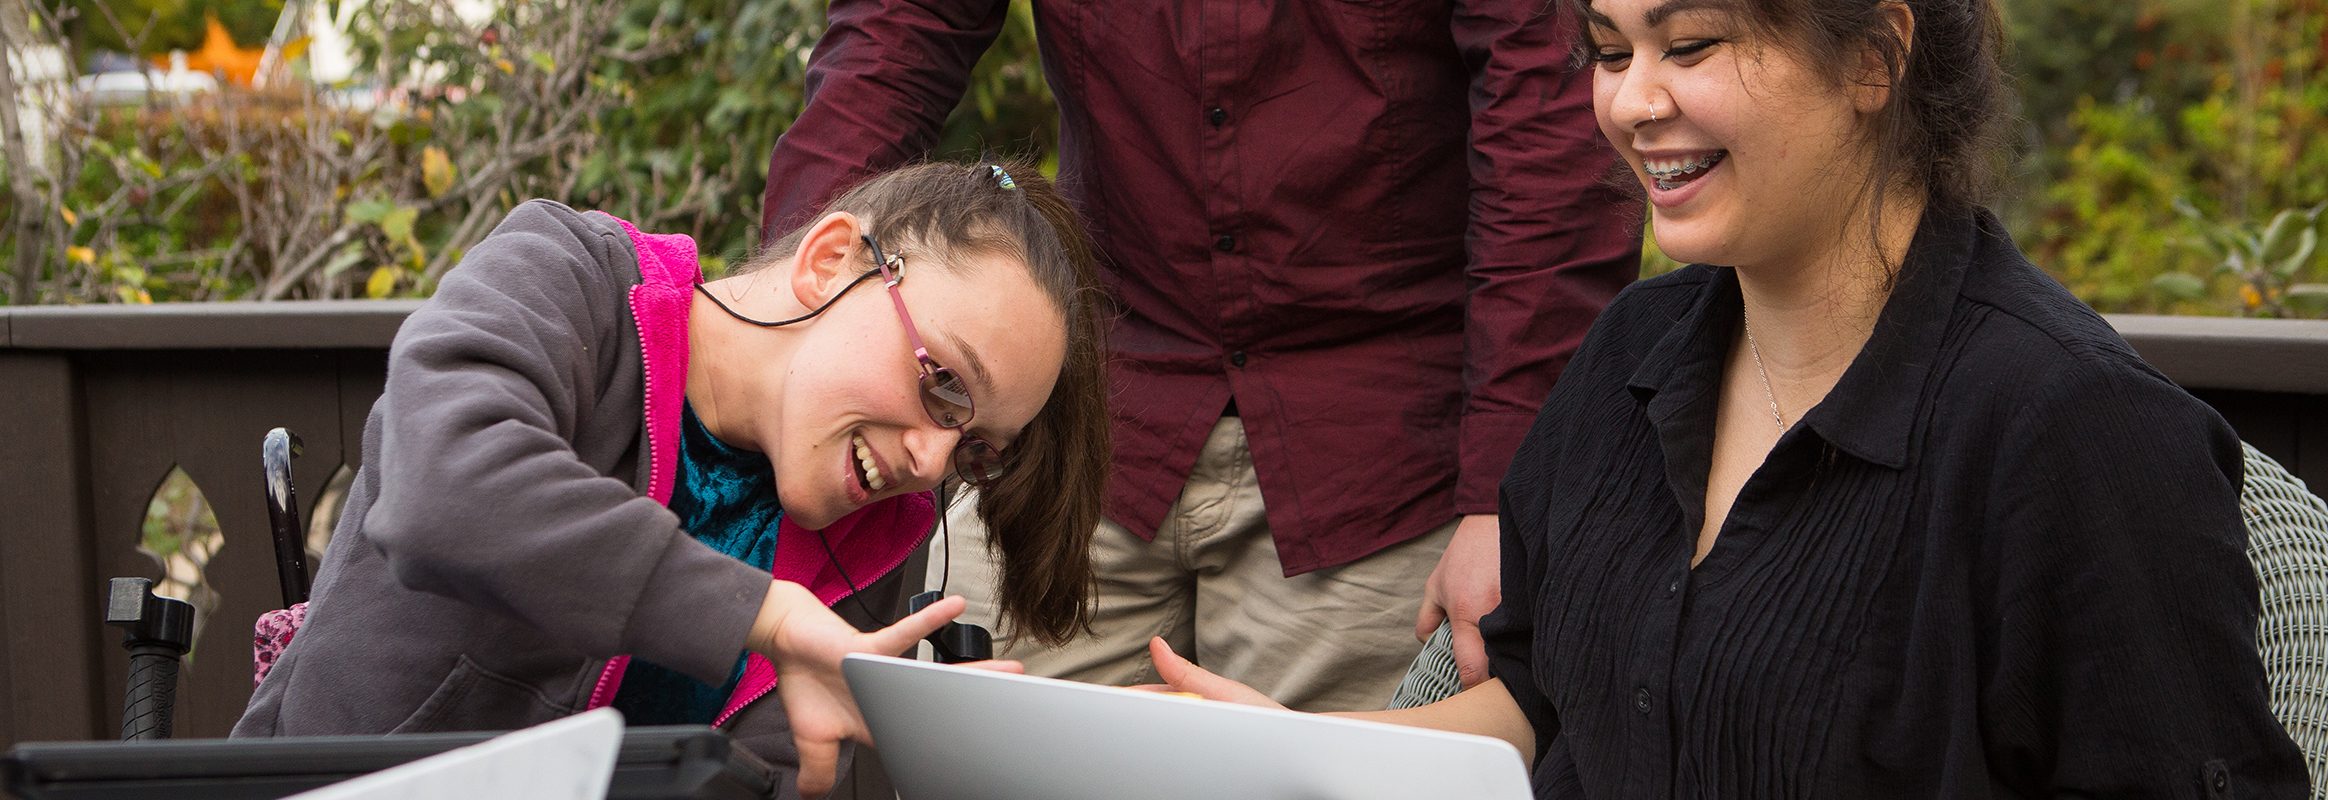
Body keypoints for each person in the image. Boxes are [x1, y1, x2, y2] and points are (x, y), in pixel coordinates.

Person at [1147, 0, 2315, 794]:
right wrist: (1282, 750)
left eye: (1692, 44)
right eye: (1610, 51)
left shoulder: (2075, 436)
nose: (1631, 103)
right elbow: (1541, 717)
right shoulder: (1627, 356)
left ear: (1875, 56)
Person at [763, 1, 1641, 712]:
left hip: (1378, 453)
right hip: (1097, 413)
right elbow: (891, 45)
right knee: (979, 752)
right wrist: (786, 328)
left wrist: (1505, 492)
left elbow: (1548, 130)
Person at [233, 161, 1112, 799]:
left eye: (974, 451)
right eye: (943, 383)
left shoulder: (875, 536)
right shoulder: (570, 277)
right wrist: (762, 616)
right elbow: (446, 488)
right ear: (831, 259)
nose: (930, 462)